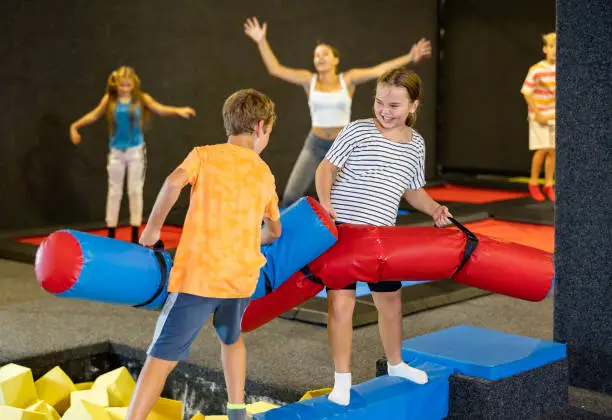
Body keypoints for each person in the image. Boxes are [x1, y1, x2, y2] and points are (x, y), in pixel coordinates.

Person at [125, 89, 282, 420]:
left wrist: (152, 231)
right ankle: (237, 410)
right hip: (241, 280)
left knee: (162, 355)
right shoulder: (264, 173)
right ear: (260, 128)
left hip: (200, 277)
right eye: (268, 133)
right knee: (231, 338)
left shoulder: (205, 155)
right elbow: (274, 231)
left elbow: (171, 184)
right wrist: (250, 238)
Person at [315, 67, 452, 406]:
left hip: (382, 240)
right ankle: (342, 380)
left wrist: (434, 208)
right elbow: (325, 168)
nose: (384, 111)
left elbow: (413, 190)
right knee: (341, 304)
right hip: (344, 234)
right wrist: (326, 204)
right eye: (379, 102)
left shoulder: (415, 144)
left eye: (394, 106)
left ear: (413, 106)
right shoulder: (357, 131)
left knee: (390, 302)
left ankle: (396, 364)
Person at [244, 16, 432, 207]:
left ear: (336, 59)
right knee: (292, 195)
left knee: (343, 198)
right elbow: (276, 69)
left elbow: (379, 70)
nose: (320, 58)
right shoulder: (309, 81)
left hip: (342, 144)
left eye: (325, 54)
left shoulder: (347, 80)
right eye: (316, 55)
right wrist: (261, 41)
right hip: (315, 144)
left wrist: (410, 57)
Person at [69, 66, 196, 243]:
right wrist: (75, 126)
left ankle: (135, 232)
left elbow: (159, 109)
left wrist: (177, 110)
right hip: (116, 152)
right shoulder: (110, 100)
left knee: (135, 191)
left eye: (128, 85)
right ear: (116, 84)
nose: (125, 89)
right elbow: (94, 115)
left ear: (133, 85)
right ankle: (111, 231)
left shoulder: (140, 99)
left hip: (135, 151)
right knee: (114, 191)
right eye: (122, 85)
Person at [521, 32, 556, 202]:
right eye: (551, 46)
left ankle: (549, 184)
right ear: (545, 49)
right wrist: (538, 113)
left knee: (553, 151)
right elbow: (526, 92)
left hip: (554, 115)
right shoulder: (536, 69)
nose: (555, 50)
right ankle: (533, 182)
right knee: (542, 149)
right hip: (539, 116)